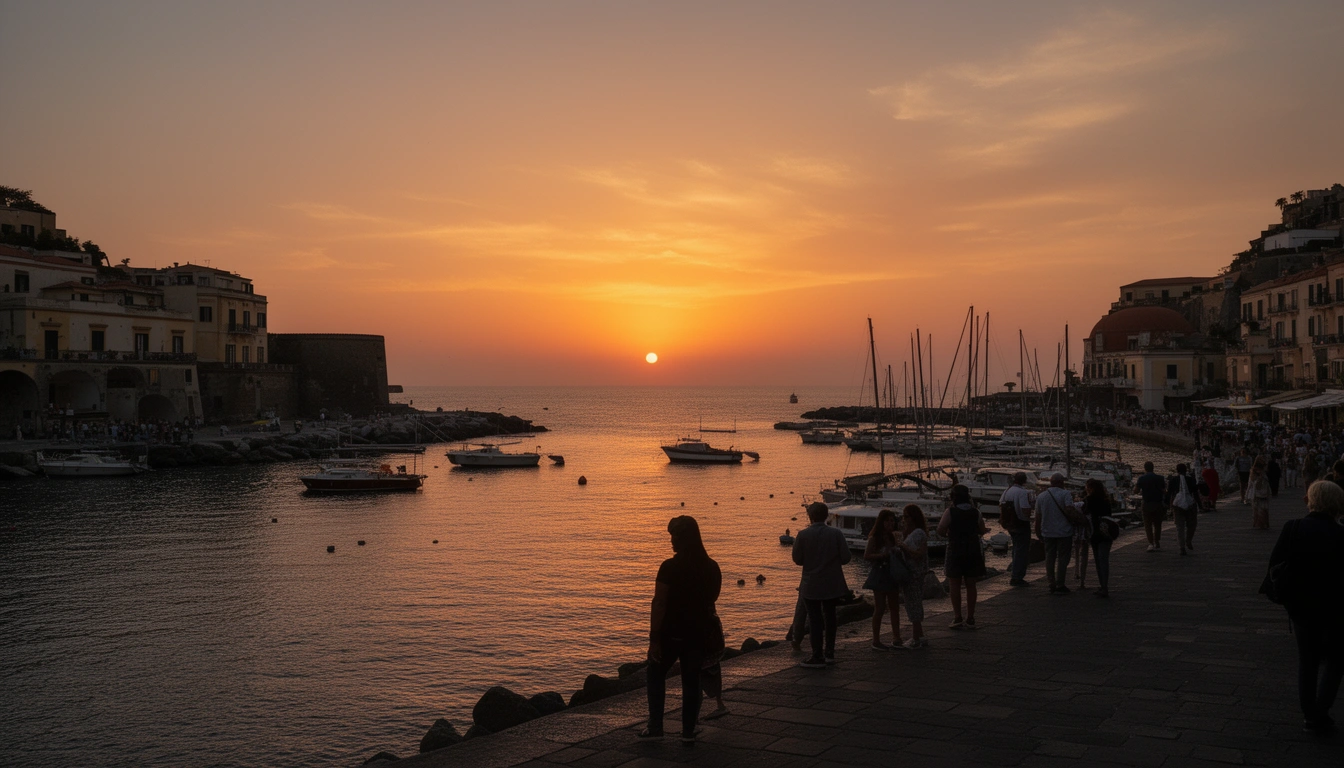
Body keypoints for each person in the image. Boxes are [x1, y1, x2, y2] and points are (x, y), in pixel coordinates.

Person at [1265, 480, 1344, 735]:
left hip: (1301, 607)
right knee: (1335, 661)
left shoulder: (1294, 527)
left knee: (1307, 662)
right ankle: (1319, 712)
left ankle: (1310, 714)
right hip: (1335, 608)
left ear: (1309, 500)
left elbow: (1275, 565)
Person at [644, 516, 722, 742]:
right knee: (691, 678)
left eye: (675, 536)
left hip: (671, 632)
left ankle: (655, 726)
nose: (672, 541)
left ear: (684, 538)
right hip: (699, 632)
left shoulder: (669, 567)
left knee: (655, 673)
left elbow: (659, 602)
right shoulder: (711, 567)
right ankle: (688, 730)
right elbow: (713, 597)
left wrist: (654, 638)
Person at [792, 502, 851, 667]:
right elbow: (846, 558)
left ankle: (817, 655)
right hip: (832, 583)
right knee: (830, 617)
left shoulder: (803, 535)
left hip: (811, 584)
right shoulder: (836, 534)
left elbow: (797, 560)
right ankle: (830, 652)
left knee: (815, 619)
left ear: (810, 516)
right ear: (826, 516)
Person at [937, 484, 987, 628]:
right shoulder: (976, 512)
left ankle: (957, 616)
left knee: (955, 585)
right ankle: (970, 617)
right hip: (972, 549)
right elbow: (982, 529)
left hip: (955, 549)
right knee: (971, 585)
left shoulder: (950, 512)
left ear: (953, 497)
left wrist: (948, 534)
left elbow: (941, 529)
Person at [861, 508, 904, 650]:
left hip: (892, 573)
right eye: (887, 521)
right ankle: (876, 640)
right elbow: (867, 555)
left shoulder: (893, 537)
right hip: (880, 573)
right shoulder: (875, 538)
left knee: (894, 607)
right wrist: (882, 555)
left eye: (892, 520)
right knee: (880, 608)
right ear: (881, 522)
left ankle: (896, 637)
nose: (890, 523)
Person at [1035, 473, 1077, 594]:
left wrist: (1038, 532)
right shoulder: (1065, 494)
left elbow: (1038, 516)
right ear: (1061, 482)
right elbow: (1070, 510)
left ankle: (1051, 582)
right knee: (1063, 558)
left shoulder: (1041, 496)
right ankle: (1060, 583)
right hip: (1064, 532)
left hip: (1047, 532)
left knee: (1049, 558)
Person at [894, 504, 929, 648]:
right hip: (912, 573)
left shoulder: (919, 533)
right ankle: (919, 635)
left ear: (913, 517)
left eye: (906, 516)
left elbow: (919, 554)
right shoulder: (912, 532)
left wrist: (904, 547)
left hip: (914, 573)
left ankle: (916, 639)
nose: (903, 519)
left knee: (913, 603)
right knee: (912, 602)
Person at [999, 471, 1035, 586]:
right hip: (1021, 524)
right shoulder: (1022, 492)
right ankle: (1017, 577)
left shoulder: (1007, 491)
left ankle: (1014, 574)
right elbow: (1025, 510)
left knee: (1015, 549)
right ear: (1024, 481)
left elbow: (1001, 505)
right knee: (1022, 551)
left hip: (1010, 524)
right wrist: (1031, 510)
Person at [1081, 479, 1114, 598]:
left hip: (1095, 531)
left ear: (1090, 488)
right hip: (1107, 531)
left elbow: (1083, 513)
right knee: (1104, 559)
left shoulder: (1088, 500)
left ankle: (1103, 586)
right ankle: (1104, 586)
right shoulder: (1106, 500)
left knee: (1098, 560)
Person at [1167, 463, 1202, 555]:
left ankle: (1181, 547)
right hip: (1190, 505)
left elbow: (1169, 494)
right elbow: (1195, 494)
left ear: (1177, 470)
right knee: (1192, 525)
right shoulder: (1191, 480)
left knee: (1180, 527)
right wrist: (1200, 505)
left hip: (1177, 506)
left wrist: (1166, 506)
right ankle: (1188, 540)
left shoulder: (1173, 480)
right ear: (1186, 470)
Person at [1135, 461, 1167, 551]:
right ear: (1153, 468)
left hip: (1147, 503)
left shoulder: (1141, 478)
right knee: (1157, 524)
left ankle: (1150, 543)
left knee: (1148, 525)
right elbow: (1164, 490)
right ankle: (1157, 541)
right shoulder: (1160, 478)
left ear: (1145, 468)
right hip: (1158, 503)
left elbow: (1136, 491)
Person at [1250, 457, 1271, 530]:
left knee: (1260, 508)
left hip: (1261, 492)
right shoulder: (1257, 473)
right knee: (1261, 508)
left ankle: (1261, 523)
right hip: (1259, 492)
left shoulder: (1257, 472)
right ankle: (1261, 523)